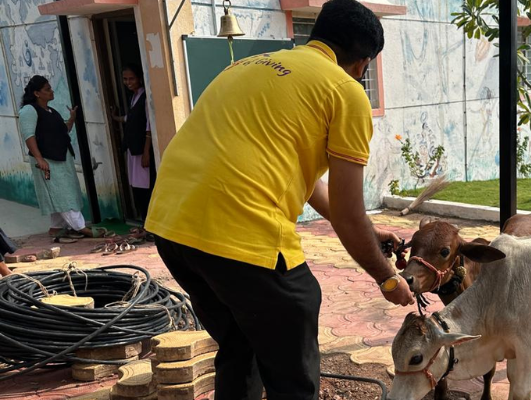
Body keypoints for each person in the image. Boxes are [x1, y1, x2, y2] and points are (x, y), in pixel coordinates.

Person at [144, 1, 414, 399]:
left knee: (241, 344)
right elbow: (347, 211)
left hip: (172, 230)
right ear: (364, 63)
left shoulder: (246, 67)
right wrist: (387, 278)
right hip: (242, 238)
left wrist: (372, 233)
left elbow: (315, 188)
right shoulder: (345, 91)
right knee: (296, 328)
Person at [19, 76, 99, 239]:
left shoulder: (51, 111)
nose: (51, 91)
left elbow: (63, 131)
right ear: (36, 93)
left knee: (63, 191)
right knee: (63, 194)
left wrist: (72, 119)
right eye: (47, 89)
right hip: (48, 159)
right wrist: (40, 159)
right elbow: (29, 136)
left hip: (61, 158)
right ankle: (80, 227)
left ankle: (56, 227)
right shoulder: (29, 110)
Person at [112, 64, 155, 224]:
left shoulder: (145, 98)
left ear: (139, 79)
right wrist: (116, 118)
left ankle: (149, 221)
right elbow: (131, 118)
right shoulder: (133, 98)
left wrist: (146, 152)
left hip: (141, 150)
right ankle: (145, 220)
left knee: (145, 187)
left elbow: (148, 126)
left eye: (131, 78)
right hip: (133, 149)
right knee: (137, 186)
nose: (128, 82)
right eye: (125, 79)